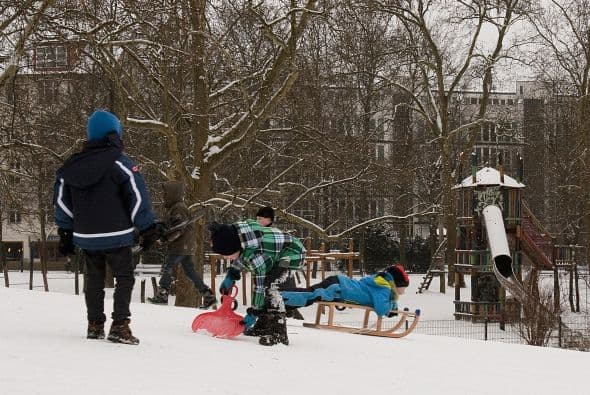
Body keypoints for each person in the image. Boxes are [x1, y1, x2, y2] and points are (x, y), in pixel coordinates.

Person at [53, 109, 160, 345]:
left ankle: (94, 324)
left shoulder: (71, 167)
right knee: (124, 277)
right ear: (114, 133)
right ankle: (120, 325)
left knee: (93, 279)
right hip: (117, 234)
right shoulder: (120, 163)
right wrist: (146, 227)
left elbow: (62, 201)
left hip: (85, 236)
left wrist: (66, 230)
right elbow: (137, 197)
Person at [209, 219, 306, 346]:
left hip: (292, 255)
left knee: (270, 286)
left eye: (227, 255)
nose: (226, 258)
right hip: (274, 252)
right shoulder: (242, 239)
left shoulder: (257, 256)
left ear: (235, 246)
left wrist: (253, 313)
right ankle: (264, 325)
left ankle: (278, 332)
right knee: (266, 285)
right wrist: (231, 275)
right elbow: (243, 255)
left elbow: (259, 286)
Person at [148, 181, 216, 308]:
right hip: (185, 246)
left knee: (167, 267)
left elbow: (179, 229)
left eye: (165, 193)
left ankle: (162, 294)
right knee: (190, 272)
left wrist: (165, 240)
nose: (163, 195)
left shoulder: (179, 208)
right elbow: (173, 226)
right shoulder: (175, 208)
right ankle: (208, 295)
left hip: (180, 245)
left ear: (172, 193)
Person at [280, 264, 410, 317]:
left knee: (311, 294)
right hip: (338, 288)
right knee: (310, 295)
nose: (404, 291)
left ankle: (281, 300)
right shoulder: (384, 288)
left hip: (339, 285)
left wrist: (392, 307)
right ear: (396, 284)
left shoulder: (379, 284)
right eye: (403, 287)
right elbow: (381, 308)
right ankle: (279, 297)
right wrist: (391, 309)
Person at [255, 206, 304, 320]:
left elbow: (284, 254)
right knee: (270, 290)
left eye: (261, 218)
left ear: (270, 220)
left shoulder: (275, 234)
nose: (258, 221)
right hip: (276, 266)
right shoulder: (261, 234)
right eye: (257, 218)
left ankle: (292, 316)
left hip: (286, 265)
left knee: (284, 291)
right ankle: (270, 316)